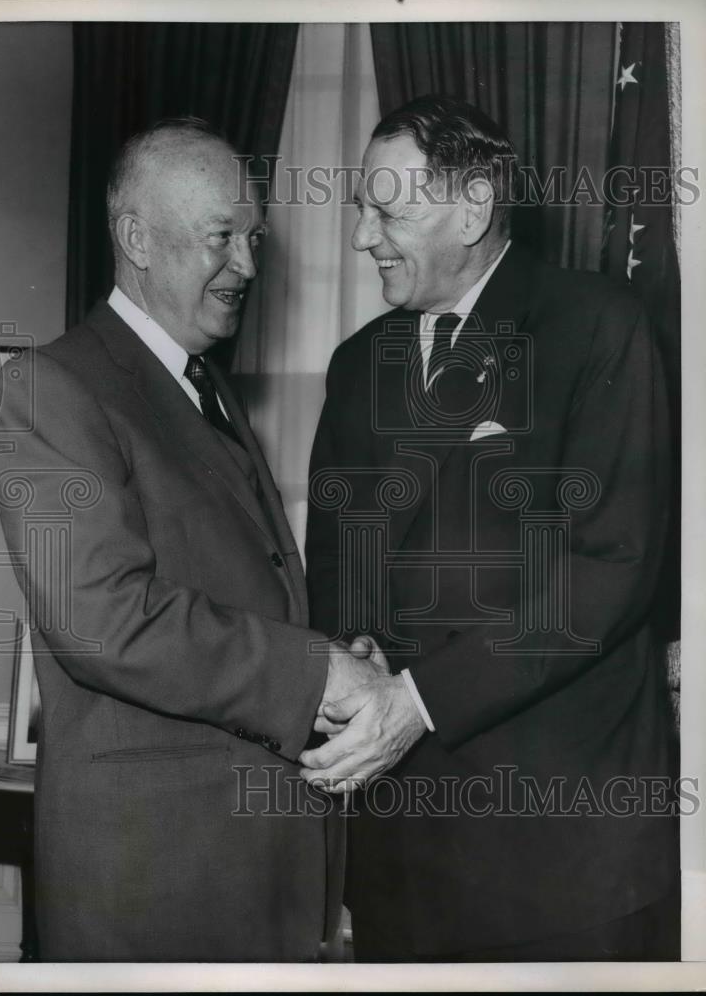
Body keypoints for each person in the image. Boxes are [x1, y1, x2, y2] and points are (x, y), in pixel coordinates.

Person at [0, 118, 380, 962]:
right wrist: (317, 674)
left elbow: (238, 587)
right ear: (136, 238)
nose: (245, 265)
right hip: (153, 885)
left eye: (253, 237)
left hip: (252, 869)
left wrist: (335, 648)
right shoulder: (46, 388)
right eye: (220, 238)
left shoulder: (204, 387)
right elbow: (103, 621)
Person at [302, 95, 679, 961]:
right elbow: (339, 560)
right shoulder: (358, 365)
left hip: (561, 855)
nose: (364, 237)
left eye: (388, 211)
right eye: (362, 209)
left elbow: (609, 568)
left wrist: (419, 701)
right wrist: (356, 664)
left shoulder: (598, 328)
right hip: (406, 850)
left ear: (473, 206)